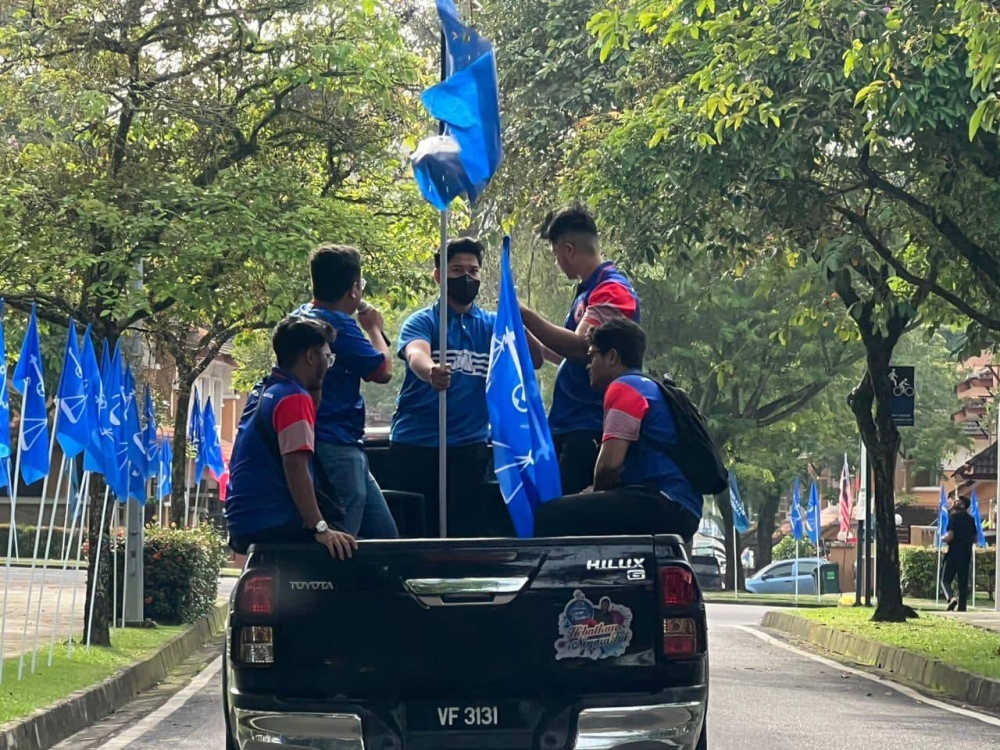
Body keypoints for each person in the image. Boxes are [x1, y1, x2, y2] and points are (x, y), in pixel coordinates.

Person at [390, 237, 542, 537]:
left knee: (465, 534)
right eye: (457, 270)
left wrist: (514, 317)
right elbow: (415, 354)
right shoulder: (423, 322)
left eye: (473, 271)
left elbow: (534, 359)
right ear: (439, 276)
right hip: (416, 445)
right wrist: (431, 370)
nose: (466, 277)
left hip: (468, 449)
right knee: (416, 534)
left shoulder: (491, 325)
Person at [535, 318, 702, 543]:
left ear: (612, 357)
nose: (587, 365)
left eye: (592, 356)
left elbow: (609, 465)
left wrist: (594, 492)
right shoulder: (647, 386)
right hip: (681, 507)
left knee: (548, 515)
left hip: (663, 502)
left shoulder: (624, 388)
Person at [519, 204, 640, 494]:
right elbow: (563, 356)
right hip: (569, 421)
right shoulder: (588, 291)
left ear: (569, 249)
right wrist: (523, 329)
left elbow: (579, 347)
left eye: (555, 254)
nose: (557, 262)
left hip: (590, 424)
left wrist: (524, 313)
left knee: (570, 521)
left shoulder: (613, 290)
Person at [225, 316, 358, 561]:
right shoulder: (294, 399)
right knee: (351, 548)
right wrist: (320, 527)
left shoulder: (265, 389)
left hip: (243, 519)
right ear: (310, 357)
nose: (329, 366)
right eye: (327, 358)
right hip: (274, 520)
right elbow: (296, 467)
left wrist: (315, 382)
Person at [294, 244, 398, 539]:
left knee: (384, 535)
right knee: (343, 537)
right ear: (354, 290)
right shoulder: (339, 325)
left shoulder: (299, 316)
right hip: (335, 444)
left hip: (336, 442)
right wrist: (374, 328)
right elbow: (382, 371)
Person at [941, 495, 977, 612]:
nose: (955, 501)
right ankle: (962, 608)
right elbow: (975, 538)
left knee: (945, 580)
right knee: (963, 582)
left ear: (962, 505)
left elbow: (950, 536)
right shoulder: (971, 519)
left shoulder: (954, 517)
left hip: (953, 553)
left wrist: (943, 538)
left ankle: (951, 598)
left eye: (957, 501)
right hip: (966, 554)